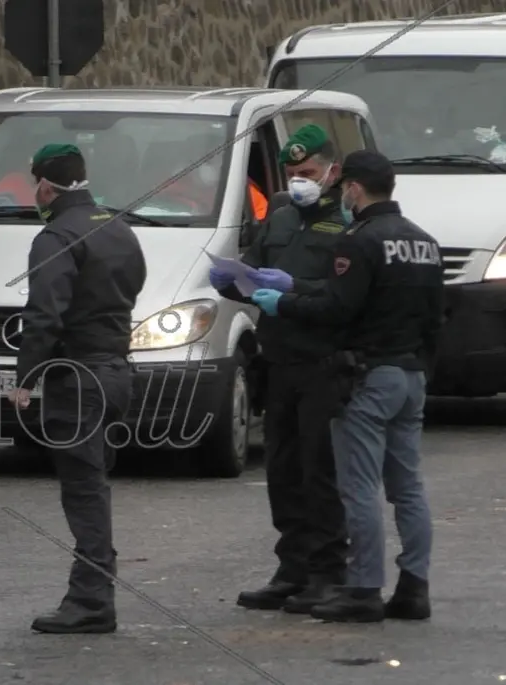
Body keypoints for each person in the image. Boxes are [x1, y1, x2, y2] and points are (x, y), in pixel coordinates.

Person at [249, 149, 443, 624]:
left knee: (357, 488)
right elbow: (436, 318)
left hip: (368, 374)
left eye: (344, 189)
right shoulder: (424, 242)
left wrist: (283, 302)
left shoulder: (358, 240)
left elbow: (337, 309)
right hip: (411, 374)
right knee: (407, 488)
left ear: (354, 187)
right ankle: (414, 587)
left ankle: (363, 589)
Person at [210, 123, 350, 616]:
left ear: (332, 172)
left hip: (323, 361)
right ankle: (293, 568)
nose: (299, 181)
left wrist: (295, 288)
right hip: (279, 361)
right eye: (293, 174)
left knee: (320, 471)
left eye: (308, 172)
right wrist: (232, 280)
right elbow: (253, 268)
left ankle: (329, 572)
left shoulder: (346, 224)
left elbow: (347, 295)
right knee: (283, 470)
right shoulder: (281, 217)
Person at [6, 143, 145, 634]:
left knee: (84, 493)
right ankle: (92, 592)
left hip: (78, 377)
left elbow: (44, 312)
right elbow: (133, 285)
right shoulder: (118, 227)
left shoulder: (55, 237)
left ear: (46, 186)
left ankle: (92, 599)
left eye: (35, 185)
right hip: (116, 371)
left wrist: (25, 377)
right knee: (94, 483)